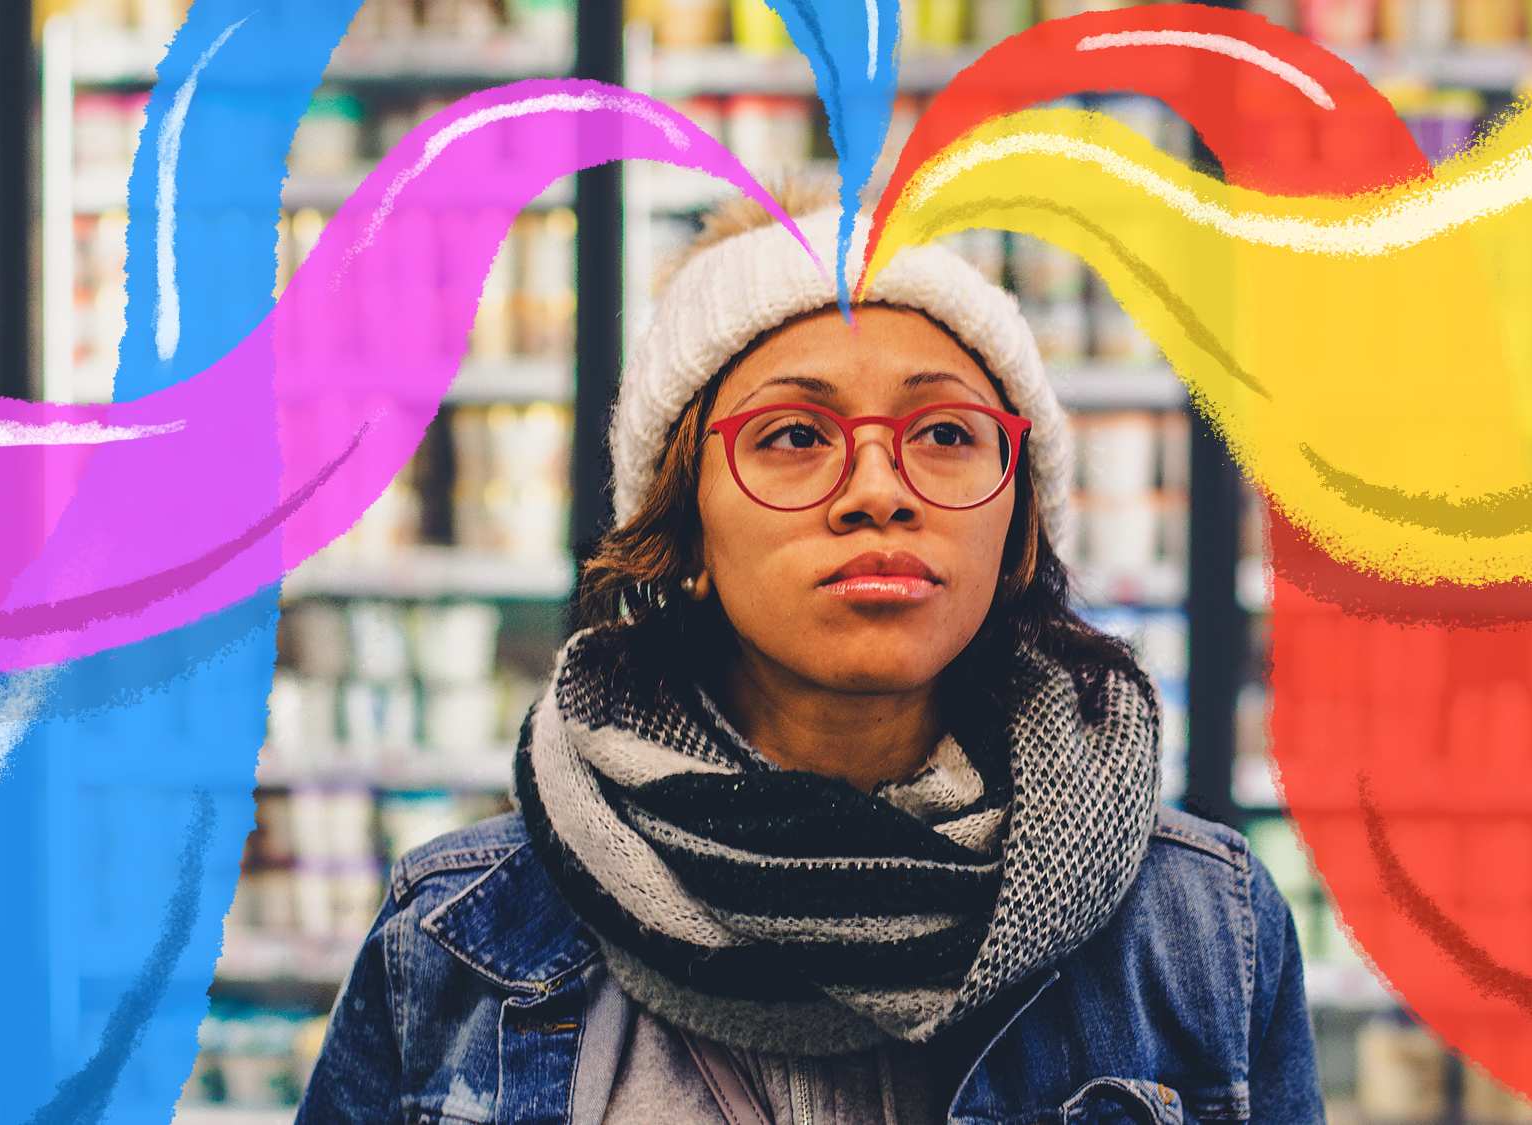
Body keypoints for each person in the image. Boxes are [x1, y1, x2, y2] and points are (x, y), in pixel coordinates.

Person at [296, 184, 1322, 1124]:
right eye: (793, 435)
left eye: (946, 434)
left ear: (1014, 534)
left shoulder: (1202, 930)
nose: (879, 489)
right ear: (684, 530)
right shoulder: (457, 939)